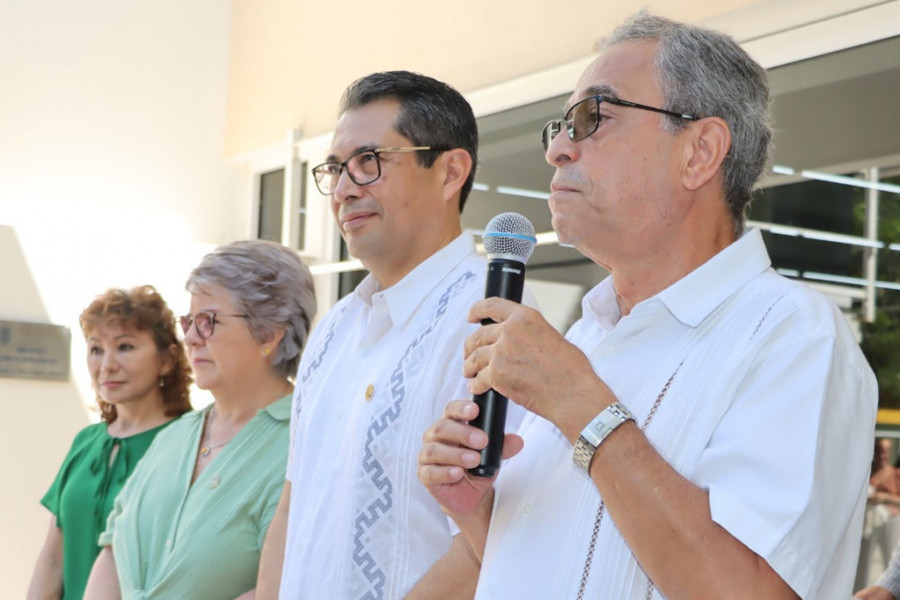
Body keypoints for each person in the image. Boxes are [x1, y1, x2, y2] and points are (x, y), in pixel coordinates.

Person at [417, 12, 878, 600]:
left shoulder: (795, 337)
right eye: (559, 125)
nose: (558, 148)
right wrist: (475, 508)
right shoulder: (585, 338)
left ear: (699, 152)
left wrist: (583, 407)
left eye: (593, 118)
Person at [256, 71, 525, 600]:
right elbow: (294, 505)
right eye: (335, 168)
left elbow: (495, 542)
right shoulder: (335, 327)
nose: (344, 187)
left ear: (450, 173)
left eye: (369, 161)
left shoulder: (494, 323)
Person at [83, 240, 315, 600]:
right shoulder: (173, 437)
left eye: (207, 322)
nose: (189, 338)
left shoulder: (306, 442)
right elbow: (112, 551)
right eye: (189, 321)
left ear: (270, 333)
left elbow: (291, 583)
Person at [27, 285, 192, 600]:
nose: (107, 365)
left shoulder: (190, 442)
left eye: (125, 347)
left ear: (168, 360)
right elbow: (52, 560)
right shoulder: (86, 442)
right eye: (96, 349)